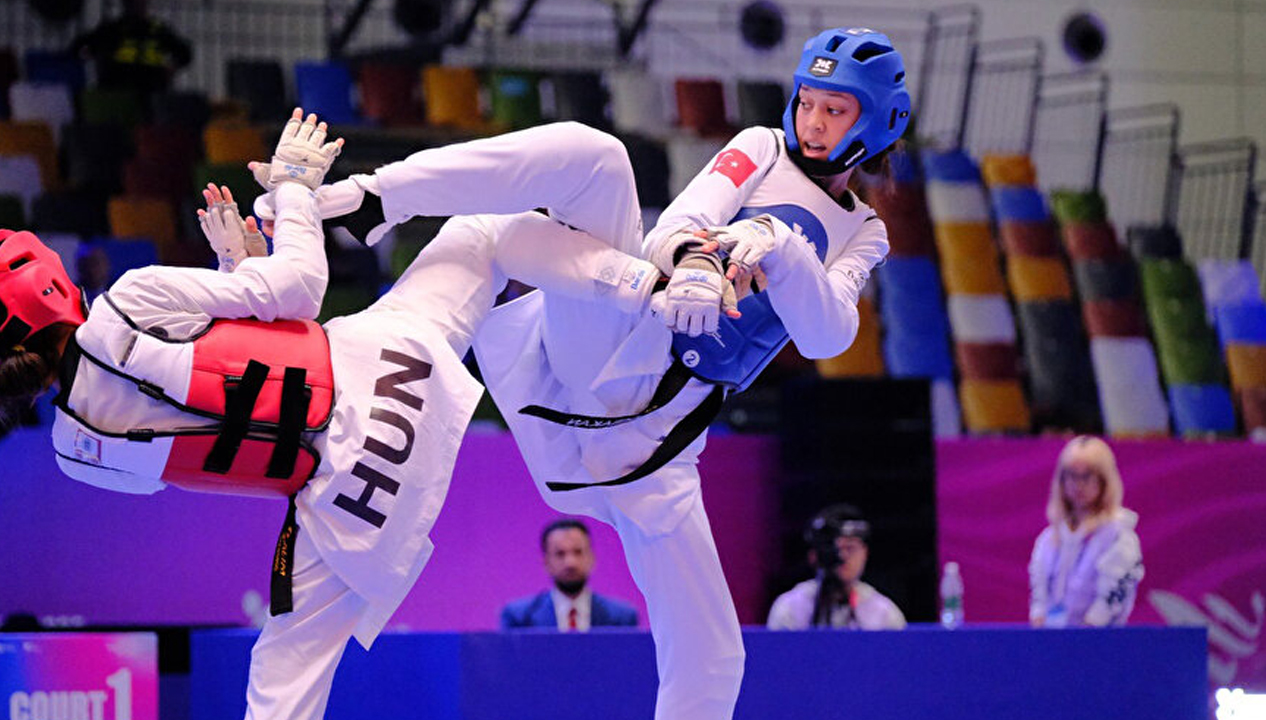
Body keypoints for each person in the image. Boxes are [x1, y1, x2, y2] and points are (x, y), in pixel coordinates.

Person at [280, 25, 908, 720]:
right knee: (584, 166)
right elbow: (680, 224)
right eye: (809, 101)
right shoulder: (760, 147)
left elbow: (829, 334)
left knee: (715, 658)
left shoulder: (863, 231)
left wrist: (780, 245)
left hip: (658, 446)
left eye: (836, 109)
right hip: (614, 352)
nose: (814, 122)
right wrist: (698, 262)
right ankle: (373, 197)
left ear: (876, 122)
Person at [1, 110, 684, 719]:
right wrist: (294, 191)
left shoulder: (74, 450)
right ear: (43, 284)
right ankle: (637, 284)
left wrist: (235, 272)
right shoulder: (130, 298)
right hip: (384, 381)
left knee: (281, 681)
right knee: (483, 234)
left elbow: (209, 418)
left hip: (346, 504)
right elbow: (300, 289)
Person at [1029, 436, 1144, 628]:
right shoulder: (1049, 538)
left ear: (1104, 480)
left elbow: (1111, 600)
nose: (1078, 484)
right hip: (1052, 642)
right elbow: (1039, 598)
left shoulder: (1119, 536)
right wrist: (1041, 625)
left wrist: (1084, 636)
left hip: (1098, 643)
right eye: (1071, 475)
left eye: (1087, 476)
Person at [766, 504, 906, 630]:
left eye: (850, 548)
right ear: (814, 556)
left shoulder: (884, 614)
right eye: (834, 549)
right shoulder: (790, 608)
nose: (842, 557)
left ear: (865, 553)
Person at [500, 518, 639, 630]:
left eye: (578, 552)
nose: (570, 563)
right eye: (560, 554)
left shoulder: (622, 618)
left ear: (592, 558)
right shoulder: (520, 618)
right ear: (546, 562)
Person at [70, 0, 192, 96]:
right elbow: (80, 47)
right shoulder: (113, 30)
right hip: (122, 92)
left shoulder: (156, 31)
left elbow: (184, 54)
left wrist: (170, 69)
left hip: (144, 91)